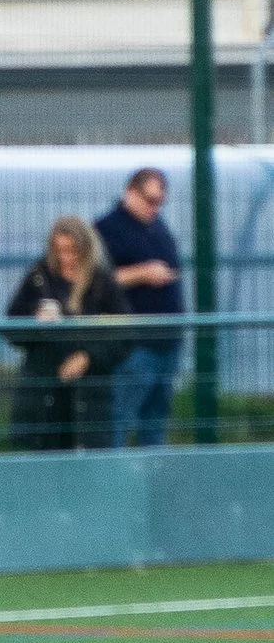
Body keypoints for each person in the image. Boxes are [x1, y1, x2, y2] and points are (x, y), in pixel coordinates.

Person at [4, 217, 125, 453]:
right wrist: (34, 322)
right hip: (44, 399)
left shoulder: (103, 283)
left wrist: (88, 357)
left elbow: (122, 336)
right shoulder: (38, 277)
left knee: (88, 478)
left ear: (86, 249)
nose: (66, 258)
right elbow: (11, 328)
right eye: (59, 250)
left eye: (72, 251)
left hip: (89, 401)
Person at [93, 166, 183, 450]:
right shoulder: (108, 228)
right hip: (134, 344)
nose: (154, 208)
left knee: (155, 421)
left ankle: (154, 488)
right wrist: (142, 273)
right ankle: (114, 483)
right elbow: (97, 279)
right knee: (119, 418)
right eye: (149, 200)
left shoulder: (158, 226)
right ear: (130, 192)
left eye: (160, 202)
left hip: (166, 342)